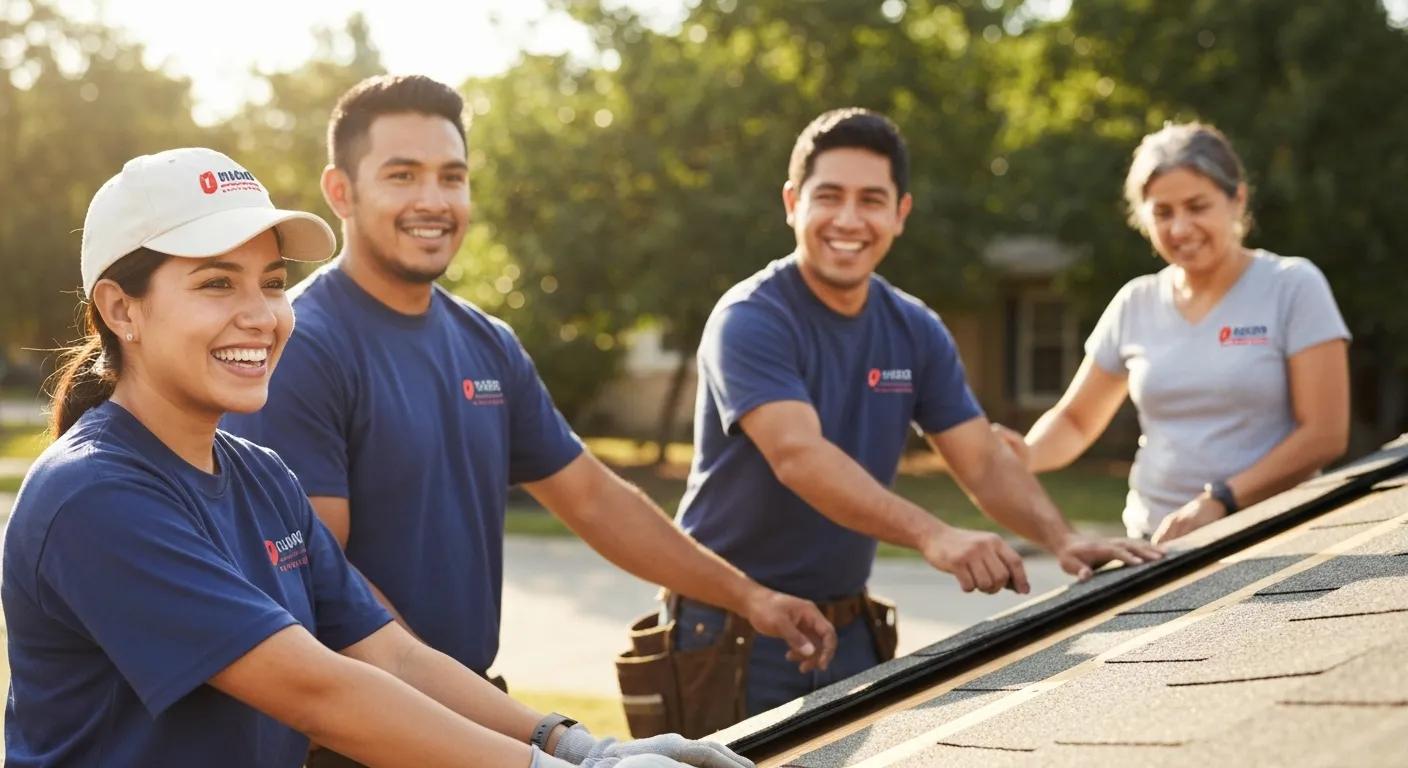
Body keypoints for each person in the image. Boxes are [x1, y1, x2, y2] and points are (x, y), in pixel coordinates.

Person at [1, 147, 754, 767]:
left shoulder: (262, 476)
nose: (260, 316)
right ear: (121, 308)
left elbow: (389, 656)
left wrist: (578, 745)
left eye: (271, 282)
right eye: (214, 283)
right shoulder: (93, 494)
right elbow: (317, 691)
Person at [220, 74, 835, 725]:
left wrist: (750, 597)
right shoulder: (302, 345)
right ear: (340, 191)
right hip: (368, 727)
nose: (433, 199)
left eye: (451, 177)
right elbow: (321, 577)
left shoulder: (487, 343)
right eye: (402, 176)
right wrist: (475, 719)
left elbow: (594, 501)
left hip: (464, 707)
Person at [672, 107, 1163, 718]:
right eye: (829, 196)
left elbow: (981, 457)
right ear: (793, 202)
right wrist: (934, 534)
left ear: (900, 213)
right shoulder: (750, 318)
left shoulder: (915, 328)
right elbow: (797, 456)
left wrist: (1062, 538)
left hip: (850, 626)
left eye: (871, 200)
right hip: (732, 630)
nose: (849, 220)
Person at [991, 122, 1350, 545]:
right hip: (1156, 543)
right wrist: (1027, 455)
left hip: (1273, 536)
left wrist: (1221, 499)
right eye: (1163, 213)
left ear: (1237, 200)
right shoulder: (1135, 303)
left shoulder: (1293, 286)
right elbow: (1076, 419)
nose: (1180, 229)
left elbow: (1324, 434)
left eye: (1197, 206)